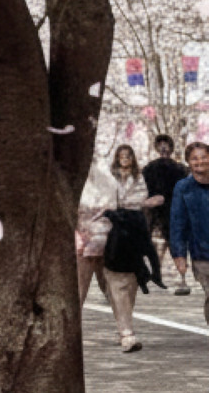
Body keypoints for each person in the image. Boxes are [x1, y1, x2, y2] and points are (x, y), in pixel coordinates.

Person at [77, 143, 158, 352]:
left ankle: (126, 333)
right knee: (76, 292)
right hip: (80, 246)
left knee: (120, 289)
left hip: (111, 244)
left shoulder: (110, 178)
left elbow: (130, 205)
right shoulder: (67, 180)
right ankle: (69, 336)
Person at [167, 141, 209, 325]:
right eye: (194, 159)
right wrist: (179, 254)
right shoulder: (183, 188)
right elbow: (177, 223)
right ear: (188, 163)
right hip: (202, 254)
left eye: (204, 157)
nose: (200, 161)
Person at [143, 134, 190, 296]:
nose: (163, 148)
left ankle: (181, 279)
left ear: (171, 148)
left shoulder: (180, 169)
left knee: (177, 247)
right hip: (154, 214)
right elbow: (143, 191)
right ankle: (155, 277)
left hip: (174, 214)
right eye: (160, 145)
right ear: (157, 147)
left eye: (166, 145)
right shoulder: (149, 169)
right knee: (155, 248)